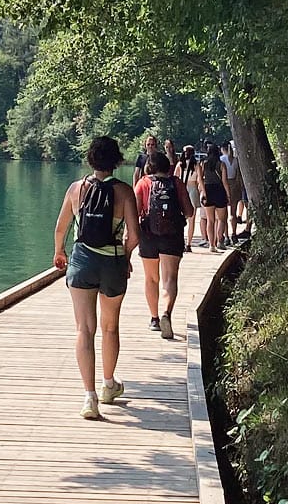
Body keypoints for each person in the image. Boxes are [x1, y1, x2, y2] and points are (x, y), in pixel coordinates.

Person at [53, 136, 140, 420]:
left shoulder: (76, 188)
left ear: (90, 159)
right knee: (110, 327)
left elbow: (61, 228)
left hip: (82, 262)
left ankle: (89, 398)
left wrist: (59, 252)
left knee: (84, 329)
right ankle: (108, 384)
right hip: (112, 262)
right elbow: (134, 236)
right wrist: (125, 257)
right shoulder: (124, 192)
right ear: (116, 161)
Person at [135, 149, 193, 340]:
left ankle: (154, 319)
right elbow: (189, 212)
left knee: (151, 278)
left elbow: (134, 212)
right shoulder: (176, 183)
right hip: (172, 235)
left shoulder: (143, 183)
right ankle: (166, 313)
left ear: (149, 166)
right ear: (167, 166)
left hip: (148, 235)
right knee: (170, 279)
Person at [197, 147, 230, 251]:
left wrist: (204, 192)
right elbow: (225, 182)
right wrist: (228, 195)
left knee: (210, 220)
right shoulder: (221, 164)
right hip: (219, 190)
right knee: (221, 219)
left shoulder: (203, 164)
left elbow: (200, 179)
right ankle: (220, 241)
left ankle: (211, 245)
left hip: (208, 190)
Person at [178, 146, 201, 251]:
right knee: (192, 219)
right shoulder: (196, 165)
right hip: (193, 190)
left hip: (182, 190)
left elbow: (175, 178)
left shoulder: (180, 165)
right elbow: (200, 180)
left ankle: (181, 242)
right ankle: (189, 244)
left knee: (180, 218)